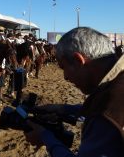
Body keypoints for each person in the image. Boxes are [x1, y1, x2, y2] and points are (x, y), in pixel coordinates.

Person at [24, 27, 124, 157]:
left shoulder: (107, 110)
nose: (65, 77)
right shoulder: (117, 83)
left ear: (78, 61)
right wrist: (63, 109)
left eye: (63, 67)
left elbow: (102, 114)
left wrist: (45, 137)